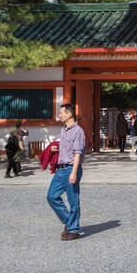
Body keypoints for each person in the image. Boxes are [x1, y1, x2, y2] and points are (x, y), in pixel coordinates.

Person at [47, 102, 85, 241]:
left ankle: (73, 229)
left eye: (62, 112)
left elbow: (77, 153)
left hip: (71, 168)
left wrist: (74, 172)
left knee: (73, 200)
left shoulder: (78, 131)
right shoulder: (64, 129)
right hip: (60, 169)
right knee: (51, 196)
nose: (59, 115)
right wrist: (54, 149)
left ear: (69, 114)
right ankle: (69, 222)